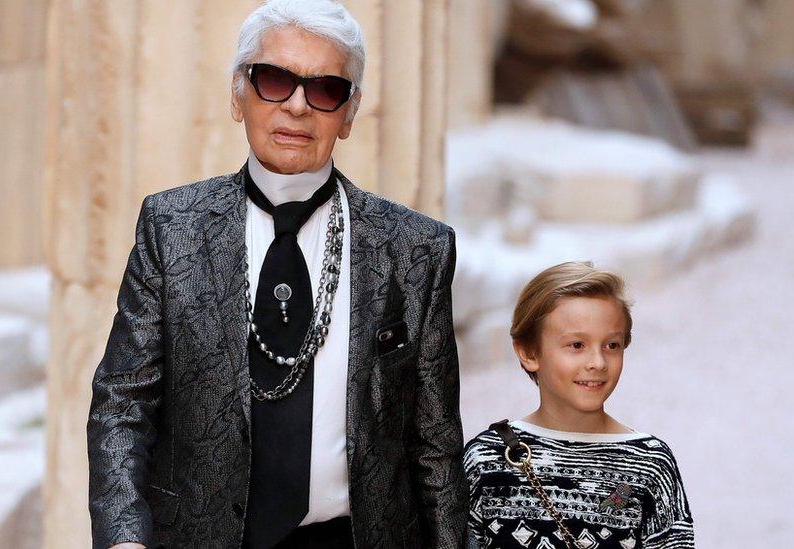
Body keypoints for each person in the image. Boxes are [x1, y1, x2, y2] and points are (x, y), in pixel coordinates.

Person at [86, 1, 467, 547]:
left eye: (325, 90)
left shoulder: (415, 249)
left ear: (350, 114)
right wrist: (124, 537)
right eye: (274, 80)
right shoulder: (171, 228)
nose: (296, 107)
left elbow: (435, 443)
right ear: (238, 96)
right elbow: (123, 401)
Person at [463, 262, 695, 549]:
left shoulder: (651, 465)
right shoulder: (486, 459)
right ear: (528, 351)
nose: (597, 362)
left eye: (611, 345)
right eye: (576, 345)